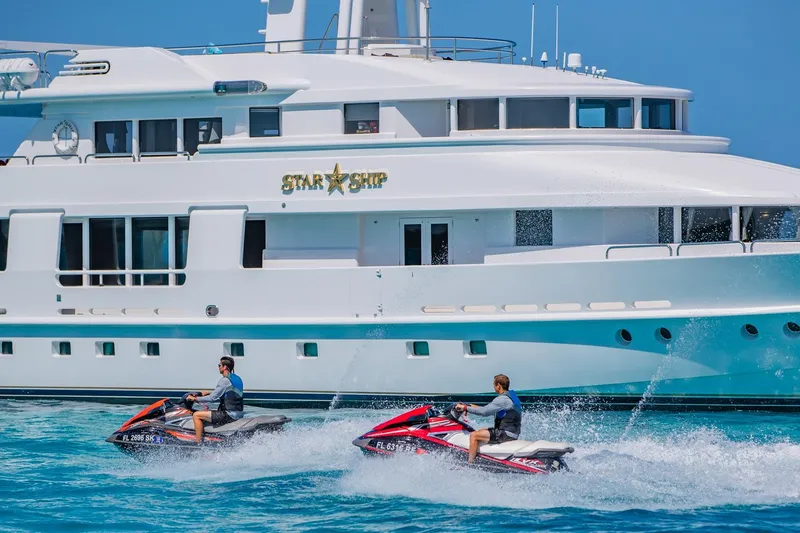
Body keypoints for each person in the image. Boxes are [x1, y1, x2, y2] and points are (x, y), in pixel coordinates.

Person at [456, 374, 522, 464]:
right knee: (481, 430)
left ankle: (470, 463)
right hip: (512, 432)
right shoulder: (511, 397)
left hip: (506, 434)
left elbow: (484, 412)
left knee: (474, 435)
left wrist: (465, 408)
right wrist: (469, 406)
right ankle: (482, 455)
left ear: (498, 385)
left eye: (494, 385)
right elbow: (490, 410)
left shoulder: (502, 399)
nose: (494, 388)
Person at [187, 356, 244, 444]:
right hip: (237, 413)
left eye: (219, 365)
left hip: (228, 415)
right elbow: (228, 394)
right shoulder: (237, 378)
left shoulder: (224, 381)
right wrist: (209, 393)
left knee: (196, 415)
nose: (218, 367)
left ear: (225, 367)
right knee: (208, 412)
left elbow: (212, 398)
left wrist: (195, 398)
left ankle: (198, 444)